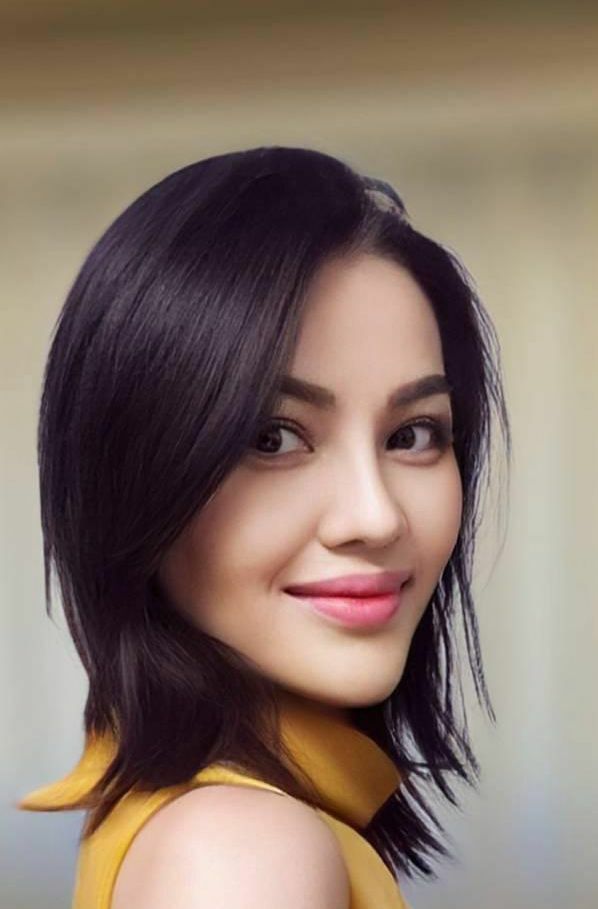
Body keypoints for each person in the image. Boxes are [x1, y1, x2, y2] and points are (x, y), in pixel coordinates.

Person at [18, 145, 511, 908]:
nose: (374, 516)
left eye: (412, 434)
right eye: (272, 437)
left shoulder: (212, 821)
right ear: (133, 477)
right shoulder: (241, 851)